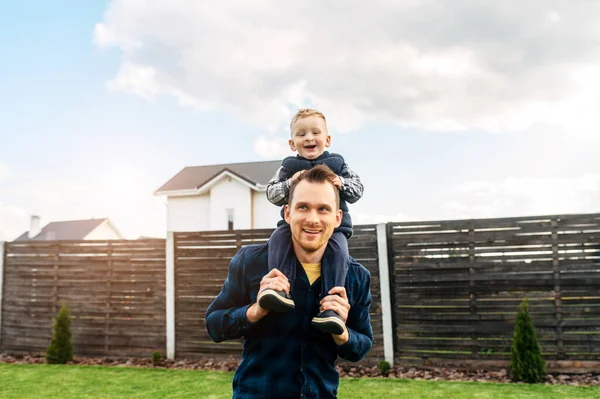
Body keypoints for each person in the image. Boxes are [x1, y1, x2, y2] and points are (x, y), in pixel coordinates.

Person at [205, 165, 373, 399]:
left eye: (323, 209)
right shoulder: (251, 261)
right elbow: (214, 325)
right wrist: (256, 310)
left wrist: (342, 333)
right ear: (287, 213)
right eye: (303, 207)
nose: (312, 219)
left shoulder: (356, 277)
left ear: (337, 218)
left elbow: (362, 345)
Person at [260, 108, 364, 335]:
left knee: (338, 252)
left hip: (334, 231)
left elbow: (358, 190)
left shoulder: (338, 164)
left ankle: (331, 307)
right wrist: (289, 184)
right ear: (291, 143)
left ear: (327, 139)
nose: (308, 138)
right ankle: (279, 289)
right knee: (277, 239)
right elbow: (270, 194)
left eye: (315, 132)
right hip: (293, 228)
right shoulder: (288, 168)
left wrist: (340, 182)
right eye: (301, 134)